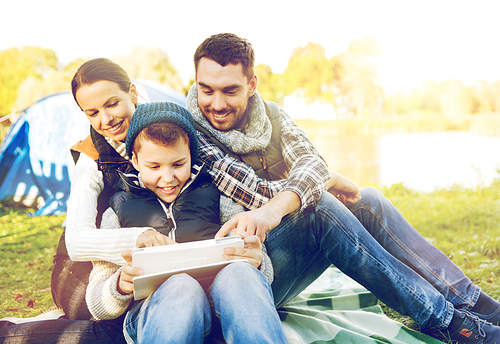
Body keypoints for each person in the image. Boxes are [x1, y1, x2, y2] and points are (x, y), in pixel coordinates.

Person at [182, 32, 500, 344]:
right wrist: (321, 182)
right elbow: (256, 191)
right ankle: (447, 322)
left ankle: (476, 304)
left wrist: (313, 183)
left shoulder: (271, 116)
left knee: (367, 199)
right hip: (239, 277)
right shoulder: (191, 133)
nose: (216, 103)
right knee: (320, 208)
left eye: (230, 90)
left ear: (252, 85)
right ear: (196, 81)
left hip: (272, 250)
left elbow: (313, 164)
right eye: (206, 89)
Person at [86, 101, 286, 343]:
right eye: (154, 166)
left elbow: (263, 272)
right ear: (135, 161)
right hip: (157, 313)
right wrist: (119, 284)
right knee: (181, 285)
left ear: (192, 155)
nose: (168, 178)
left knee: (240, 275)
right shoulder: (117, 211)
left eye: (178, 164)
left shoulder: (218, 197)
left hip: (222, 307)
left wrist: (257, 262)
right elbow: (97, 304)